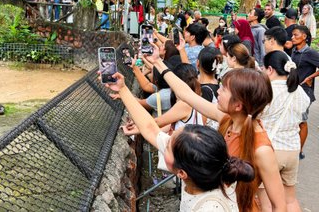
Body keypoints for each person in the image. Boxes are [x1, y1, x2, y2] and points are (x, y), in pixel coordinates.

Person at [138, 46, 286, 211]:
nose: (219, 91)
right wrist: (158, 62)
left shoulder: (262, 149)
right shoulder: (226, 120)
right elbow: (186, 93)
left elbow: (280, 206)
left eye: (224, 89)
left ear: (238, 105)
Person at [104, 72, 255, 211]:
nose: (165, 141)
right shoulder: (202, 171)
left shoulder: (210, 208)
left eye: (168, 145)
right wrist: (122, 89)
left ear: (182, 173)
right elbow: (150, 129)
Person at [259, 51, 310, 211]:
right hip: (292, 150)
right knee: (289, 199)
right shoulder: (299, 91)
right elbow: (303, 115)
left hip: (270, 150)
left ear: (270, 69)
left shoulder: (266, 90)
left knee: (266, 199)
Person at [291, 25, 319, 160]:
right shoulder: (294, 51)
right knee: (294, 120)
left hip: (305, 92)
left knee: (302, 121)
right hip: (293, 90)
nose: (292, 37)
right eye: (292, 35)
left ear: (304, 37)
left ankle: (299, 151)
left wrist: (311, 77)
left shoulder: (310, 53)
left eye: (296, 35)